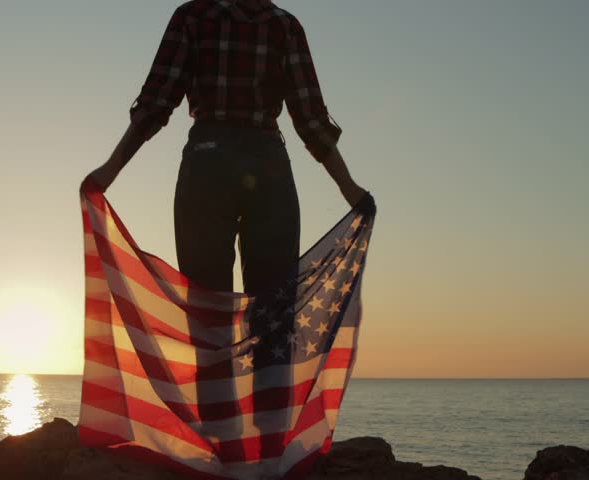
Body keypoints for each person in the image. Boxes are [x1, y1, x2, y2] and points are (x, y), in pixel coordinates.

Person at [86, 0, 374, 447]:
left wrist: (350, 188)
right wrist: (110, 170)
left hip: (222, 161)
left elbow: (158, 103)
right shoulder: (258, 23)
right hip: (248, 162)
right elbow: (309, 118)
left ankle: (239, 440)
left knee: (232, 309)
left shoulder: (215, 19)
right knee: (257, 308)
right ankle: (257, 440)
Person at [88, 0, 372, 296]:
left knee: (207, 304)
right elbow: (310, 118)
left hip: (208, 162)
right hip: (267, 165)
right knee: (272, 305)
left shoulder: (193, 16)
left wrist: (111, 169)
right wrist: (347, 186)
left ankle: (217, 340)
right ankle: (265, 340)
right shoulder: (284, 26)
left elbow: (156, 103)